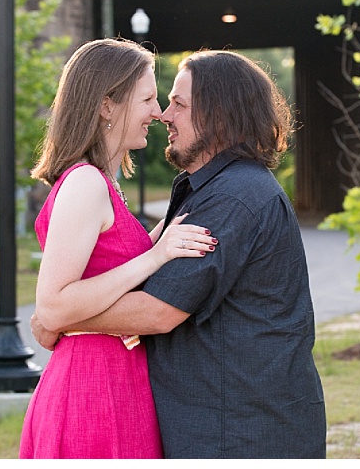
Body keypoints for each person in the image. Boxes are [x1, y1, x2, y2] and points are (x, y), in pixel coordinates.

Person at [32, 50, 327, 458]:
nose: (163, 114)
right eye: (154, 100)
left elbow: (158, 311)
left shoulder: (234, 196)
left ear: (219, 117)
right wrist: (57, 311)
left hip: (237, 432)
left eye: (178, 104)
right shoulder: (201, 189)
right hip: (185, 415)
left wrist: (60, 318)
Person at [19, 38, 216, 459]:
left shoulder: (105, 184)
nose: (159, 112)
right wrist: (156, 254)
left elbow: (102, 271)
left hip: (119, 376)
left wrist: (166, 230)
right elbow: (52, 306)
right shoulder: (85, 183)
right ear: (107, 104)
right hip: (92, 387)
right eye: (147, 98)